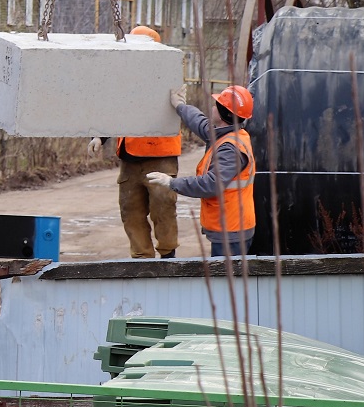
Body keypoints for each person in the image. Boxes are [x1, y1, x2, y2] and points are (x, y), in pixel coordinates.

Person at [88, 25, 183, 258]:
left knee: (163, 208)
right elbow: (117, 110)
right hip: (130, 158)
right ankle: (142, 259)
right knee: (131, 211)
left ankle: (168, 256)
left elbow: (179, 107)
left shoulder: (167, 78)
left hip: (161, 157)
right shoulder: (124, 78)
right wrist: (100, 136)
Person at [147, 85, 256, 257]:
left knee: (225, 282)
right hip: (231, 227)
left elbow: (210, 184)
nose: (212, 106)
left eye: (217, 104)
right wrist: (180, 106)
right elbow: (199, 121)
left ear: (222, 113)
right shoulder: (227, 134)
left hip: (231, 231)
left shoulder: (230, 149)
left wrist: (172, 182)